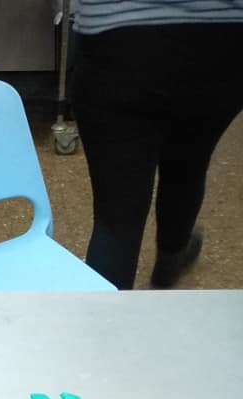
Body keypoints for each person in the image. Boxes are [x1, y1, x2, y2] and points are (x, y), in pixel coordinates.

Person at [71, 0, 243, 290]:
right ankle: (169, 265)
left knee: (117, 215)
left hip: (117, 33)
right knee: (189, 166)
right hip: (223, 40)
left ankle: (106, 318)